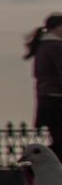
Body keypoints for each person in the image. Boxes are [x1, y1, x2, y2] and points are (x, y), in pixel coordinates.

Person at [31, 13, 62, 146]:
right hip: (57, 99)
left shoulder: (43, 46)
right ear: (58, 28)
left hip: (46, 98)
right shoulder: (56, 47)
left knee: (58, 139)